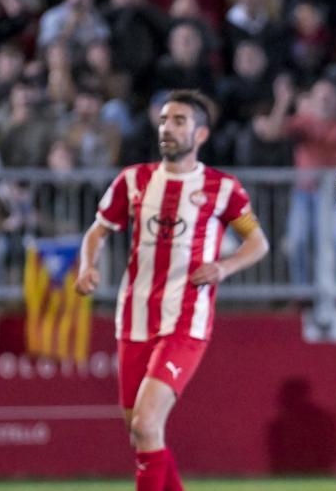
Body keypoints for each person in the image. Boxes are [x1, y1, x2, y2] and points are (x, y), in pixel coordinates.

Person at [75, 90, 269, 491]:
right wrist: (87, 266)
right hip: (133, 318)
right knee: (141, 432)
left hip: (186, 321)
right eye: (164, 119)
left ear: (200, 134)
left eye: (179, 121)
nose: (167, 128)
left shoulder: (222, 188)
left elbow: (258, 243)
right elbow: (97, 231)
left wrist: (224, 266)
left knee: (146, 423)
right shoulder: (133, 180)